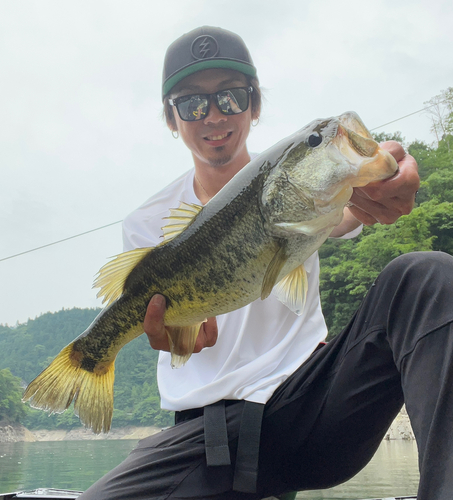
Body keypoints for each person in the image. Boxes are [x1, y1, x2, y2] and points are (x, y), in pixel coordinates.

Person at [78, 27, 453, 500]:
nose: (213, 115)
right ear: (172, 120)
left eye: (231, 98)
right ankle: (89, 361)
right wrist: (179, 332)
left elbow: (352, 208)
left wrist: (384, 183)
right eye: (192, 104)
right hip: (205, 438)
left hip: (310, 407)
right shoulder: (148, 221)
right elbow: (171, 325)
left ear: (254, 107)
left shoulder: (309, 197)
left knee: (427, 278)